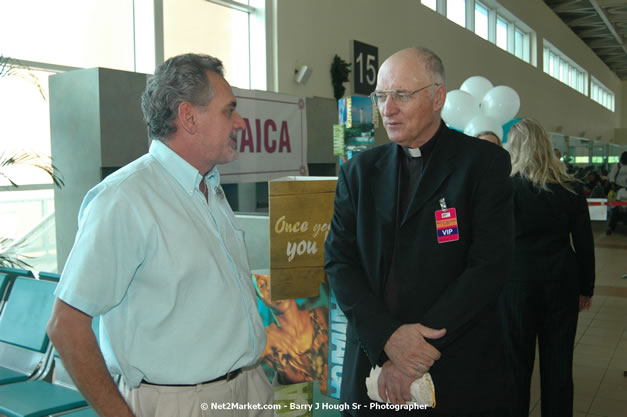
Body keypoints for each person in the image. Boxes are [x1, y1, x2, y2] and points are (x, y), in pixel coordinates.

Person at [47, 53, 273, 417]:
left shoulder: (208, 188)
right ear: (188, 117)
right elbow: (66, 325)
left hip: (249, 389)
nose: (241, 122)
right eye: (229, 110)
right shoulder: (124, 199)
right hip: (181, 403)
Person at [324, 47, 514, 416]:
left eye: (402, 95)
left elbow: (490, 264)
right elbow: (339, 262)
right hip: (373, 362)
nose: (387, 108)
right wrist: (388, 339)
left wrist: (414, 349)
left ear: (437, 97)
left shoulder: (481, 164)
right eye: (381, 96)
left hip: (455, 360)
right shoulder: (359, 172)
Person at [500, 118, 595, 417]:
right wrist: (586, 288)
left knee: (516, 366)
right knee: (559, 364)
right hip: (561, 284)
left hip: (515, 285)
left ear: (513, 148)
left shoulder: (505, 189)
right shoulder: (571, 189)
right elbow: (584, 243)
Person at [253, 274, 329, 392]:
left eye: (276, 279)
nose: (273, 289)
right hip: (300, 407)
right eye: (262, 285)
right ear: (258, 295)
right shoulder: (265, 341)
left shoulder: (324, 315)